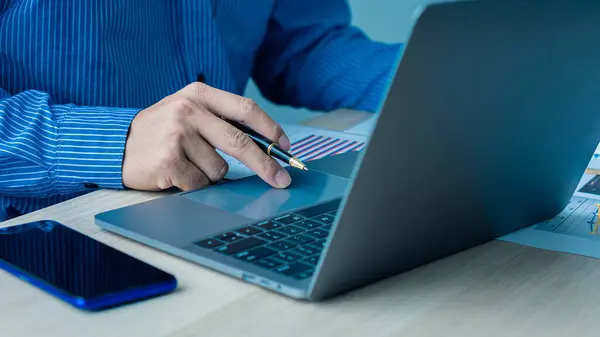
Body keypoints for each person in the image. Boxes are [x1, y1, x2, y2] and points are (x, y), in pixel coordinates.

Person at [0, 0, 402, 221]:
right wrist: (115, 141)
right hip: (43, 230)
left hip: (224, 206)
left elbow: (302, 44)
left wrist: (440, 68)